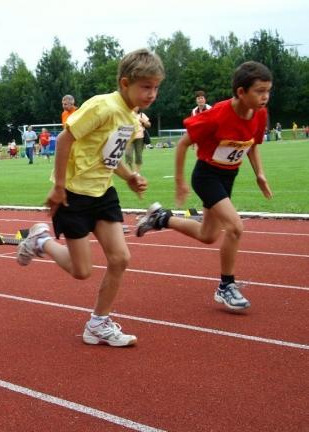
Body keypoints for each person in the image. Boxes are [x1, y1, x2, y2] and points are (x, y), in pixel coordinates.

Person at [16, 48, 163, 347]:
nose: (152, 94)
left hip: (103, 193)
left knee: (120, 258)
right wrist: (58, 186)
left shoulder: (132, 117)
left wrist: (129, 177)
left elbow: (107, 155)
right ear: (125, 83)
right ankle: (40, 240)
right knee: (81, 271)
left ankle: (98, 323)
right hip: (73, 194)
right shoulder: (103, 107)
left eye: (156, 87)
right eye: (145, 87)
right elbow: (64, 140)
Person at [136, 61, 273, 311]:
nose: (265, 97)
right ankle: (226, 286)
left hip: (227, 176)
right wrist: (180, 182)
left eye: (268, 91)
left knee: (208, 235)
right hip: (207, 175)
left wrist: (260, 174)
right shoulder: (217, 115)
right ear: (241, 92)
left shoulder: (260, 113)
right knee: (235, 227)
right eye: (260, 91)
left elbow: (252, 143)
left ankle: (161, 218)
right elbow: (182, 144)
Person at [125, 107, 151, 173]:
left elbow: (149, 125)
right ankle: (132, 171)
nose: (135, 108)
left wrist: (144, 121)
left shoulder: (142, 115)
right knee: (128, 155)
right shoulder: (127, 114)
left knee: (139, 156)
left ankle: (137, 172)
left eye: (137, 106)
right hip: (129, 138)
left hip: (140, 137)